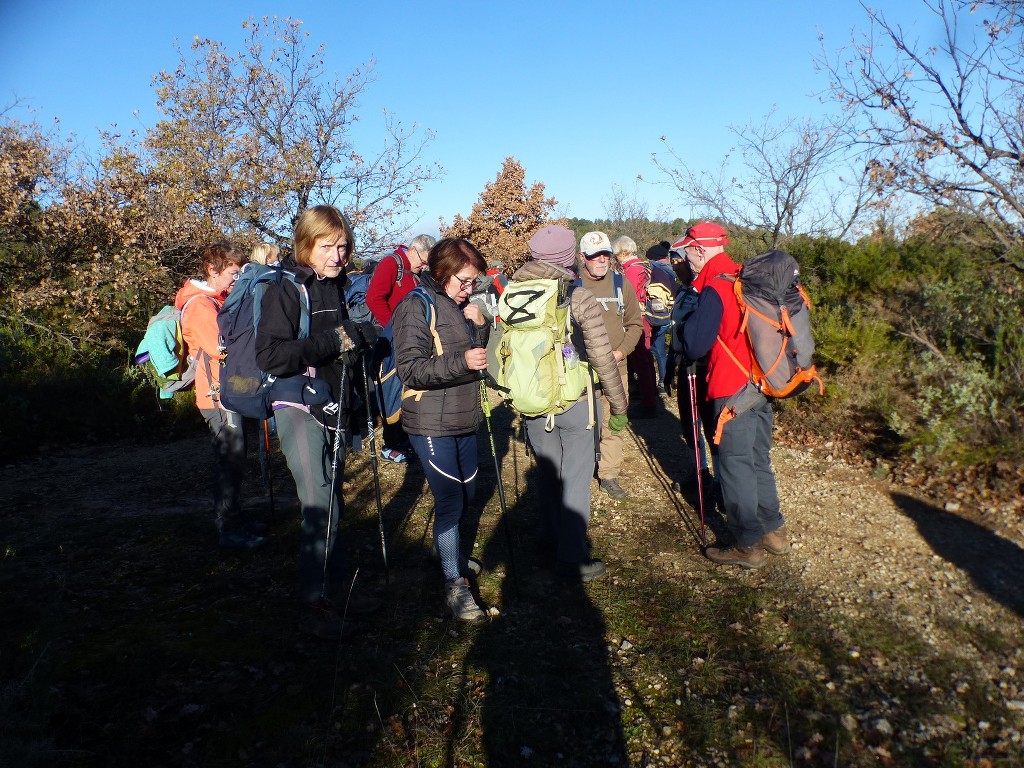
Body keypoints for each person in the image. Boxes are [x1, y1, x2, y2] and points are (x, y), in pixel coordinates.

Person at [255, 204, 380, 638]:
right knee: (318, 502)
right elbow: (269, 354)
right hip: (297, 404)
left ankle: (337, 590)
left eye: (343, 246)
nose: (337, 255)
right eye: (327, 246)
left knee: (333, 501)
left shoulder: (339, 286)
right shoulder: (286, 290)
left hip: (334, 403)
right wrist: (335, 340)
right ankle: (314, 603)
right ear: (306, 244)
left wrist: (361, 339)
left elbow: (343, 343)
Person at [511, 225, 629, 579]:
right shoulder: (579, 298)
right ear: (568, 259)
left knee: (548, 473)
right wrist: (619, 405)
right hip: (576, 401)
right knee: (576, 477)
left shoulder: (515, 294)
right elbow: (602, 357)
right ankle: (573, 555)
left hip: (533, 402)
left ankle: (548, 538)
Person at [677, 221, 789, 569]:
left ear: (699, 249)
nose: (686, 259)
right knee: (757, 459)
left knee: (735, 465)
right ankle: (774, 531)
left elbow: (695, 344)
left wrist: (681, 330)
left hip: (730, 388)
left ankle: (746, 544)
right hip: (760, 385)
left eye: (688, 251)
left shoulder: (716, 287)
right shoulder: (745, 278)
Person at [392, 238, 490, 620]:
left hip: (465, 416)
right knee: (450, 499)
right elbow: (411, 370)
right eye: (465, 281)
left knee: (468, 495)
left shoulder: (457, 305)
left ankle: (445, 551)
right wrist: (462, 359)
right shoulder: (416, 306)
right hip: (430, 420)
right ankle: (454, 583)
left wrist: (480, 331)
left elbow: (474, 359)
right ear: (442, 273)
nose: (470, 289)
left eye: (474, 282)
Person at [175, 242, 267, 550]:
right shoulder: (201, 306)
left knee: (235, 459)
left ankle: (236, 518)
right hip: (215, 394)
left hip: (224, 391)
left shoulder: (215, 299)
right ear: (213, 270)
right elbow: (221, 346)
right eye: (232, 272)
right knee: (229, 460)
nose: (237, 278)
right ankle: (229, 529)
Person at [576, 231, 643, 500]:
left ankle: (609, 475)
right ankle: (578, 472)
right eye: (595, 256)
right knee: (581, 425)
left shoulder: (621, 283)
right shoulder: (571, 285)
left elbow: (635, 324)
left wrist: (621, 352)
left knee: (615, 421)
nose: (602, 260)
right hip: (580, 372)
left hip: (617, 368)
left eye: (606, 254)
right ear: (583, 258)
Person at [366, 233, 436, 463]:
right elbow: (374, 298)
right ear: (413, 250)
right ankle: (392, 444)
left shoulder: (415, 274)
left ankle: (408, 441)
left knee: (409, 390)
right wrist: (394, 328)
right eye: (423, 261)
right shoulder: (391, 264)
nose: (424, 266)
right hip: (392, 341)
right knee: (392, 390)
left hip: (410, 341)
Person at [614, 236, 659, 412]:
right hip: (646, 318)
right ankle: (651, 394)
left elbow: (628, 299)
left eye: (617, 254)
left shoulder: (631, 271)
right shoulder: (643, 266)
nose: (616, 258)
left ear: (623, 252)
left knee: (640, 359)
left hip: (637, 320)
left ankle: (648, 403)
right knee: (646, 357)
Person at [645, 240, 680, 393]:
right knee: (663, 350)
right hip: (670, 313)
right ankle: (667, 379)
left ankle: (663, 381)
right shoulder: (670, 271)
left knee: (658, 349)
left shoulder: (657, 271)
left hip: (659, 314)